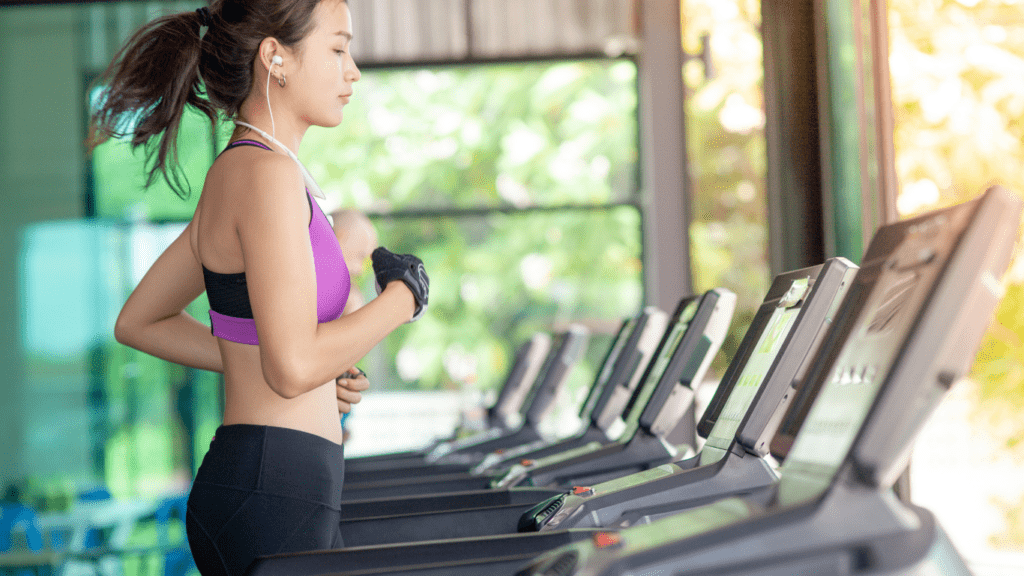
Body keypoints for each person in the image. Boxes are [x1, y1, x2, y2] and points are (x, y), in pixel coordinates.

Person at [89, 0, 429, 574]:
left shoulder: (261, 171)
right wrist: (402, 299)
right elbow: (292, 367)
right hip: (273, 490)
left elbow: (142, 321)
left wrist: (294, 365)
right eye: (338, 48)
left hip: (281, 485)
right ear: (276, 57)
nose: (354, 71)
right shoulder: (262, 175)